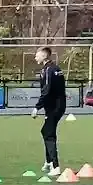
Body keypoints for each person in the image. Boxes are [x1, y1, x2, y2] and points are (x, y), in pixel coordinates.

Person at [32, 46, 67, 176]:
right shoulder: (56, 68)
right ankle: (48, 162)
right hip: (58, 105)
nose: (35, 57)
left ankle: (55, 165)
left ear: (44, 56)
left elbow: (46, 91)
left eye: (37, 55)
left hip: (54, 107)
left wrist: (37, 107)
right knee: (45, 131)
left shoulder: (48, 70)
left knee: (48, 133)